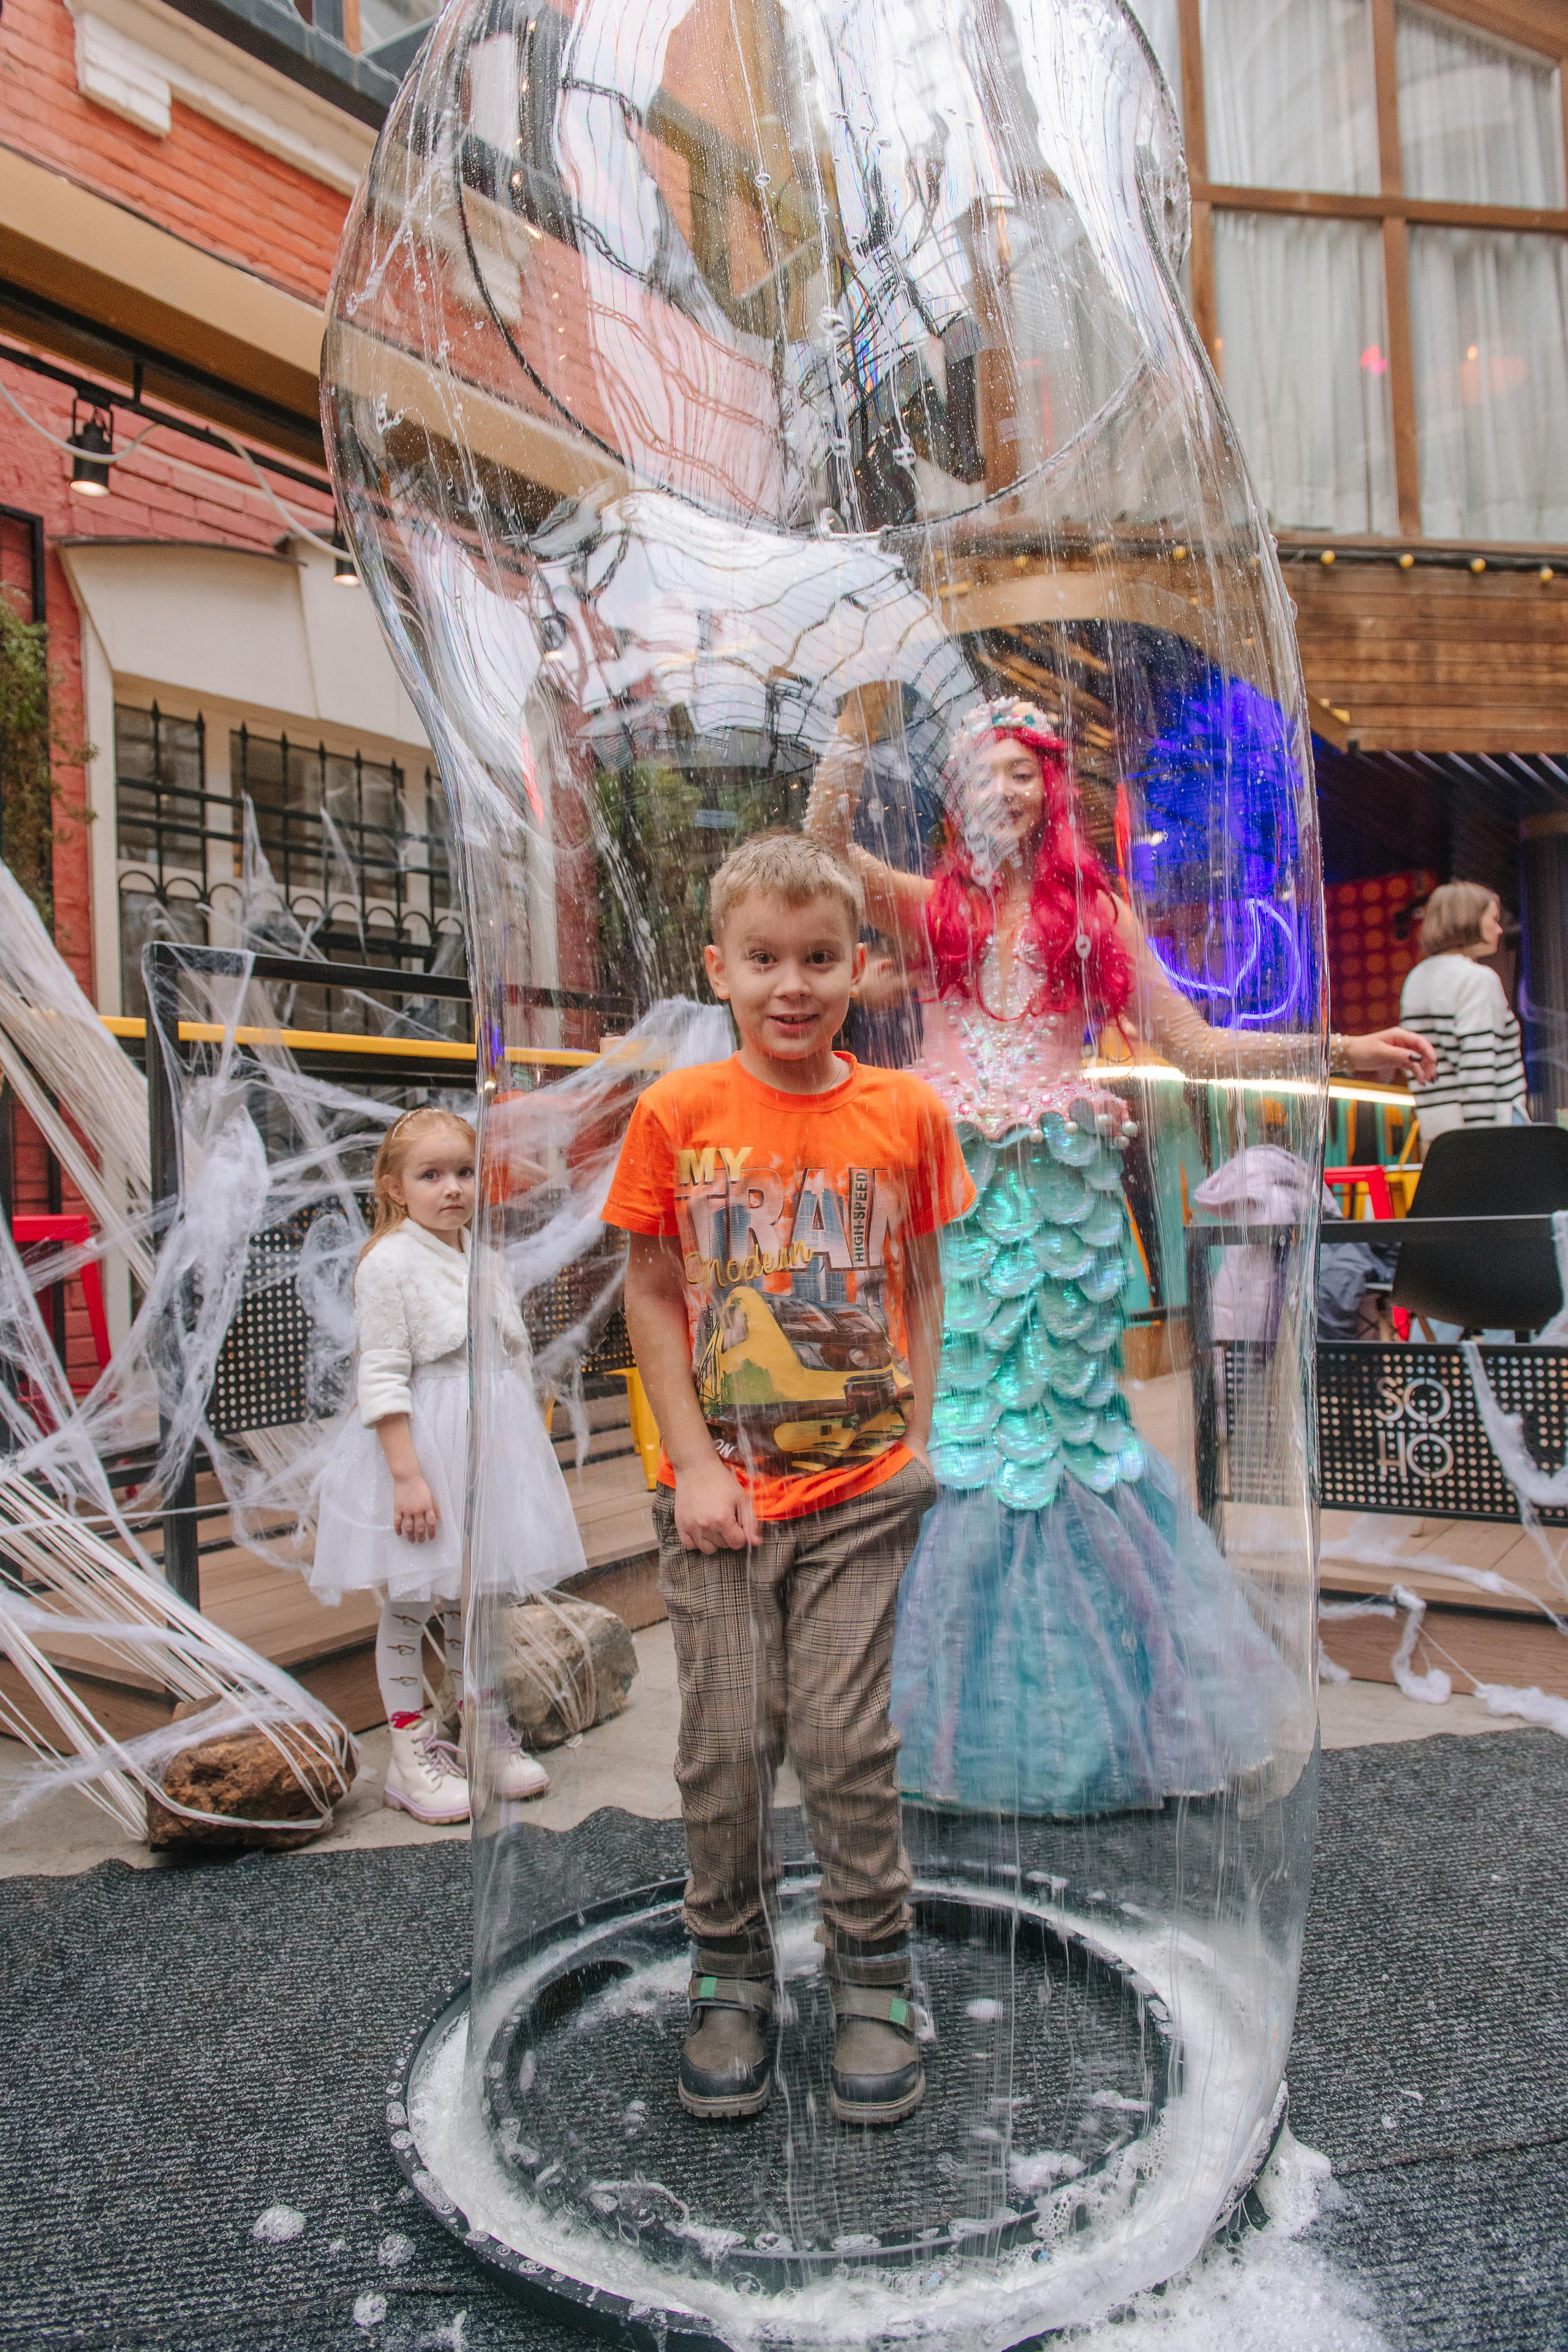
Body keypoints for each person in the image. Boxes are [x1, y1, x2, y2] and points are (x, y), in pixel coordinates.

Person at [807, 696, 1436, 1815]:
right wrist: (853, 728)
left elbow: (1190, 1044)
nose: (1008, 792)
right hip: (953, 1200)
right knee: (955, 1430)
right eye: (987, 773)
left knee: (1063, 1433)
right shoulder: (929, 912)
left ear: (1052, 797)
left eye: (1026, 774)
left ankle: (1084, 1724)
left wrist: (1340, 1049)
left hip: (1059, 1201)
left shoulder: (1092, 914)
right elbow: (821, 851)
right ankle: (932, 1722)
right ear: (954, 797)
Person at [602, 831, 973, 2127]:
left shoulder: (904, 1114)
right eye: (763, 960)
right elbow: (648, 1294)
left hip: (862, 1492)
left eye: (819, 959)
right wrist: (692, 1465)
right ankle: (729, 1970)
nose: (792, 985)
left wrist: (917, 1432)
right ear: (719, 968)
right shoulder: (677, 1114)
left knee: (840, 1740)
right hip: (716, 1505)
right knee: (722, 1747)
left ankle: (872, 1971)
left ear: (857, 966)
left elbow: (921, 1280)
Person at [311, 1107, 577, 1823]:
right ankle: (409, 1752)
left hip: (485, 1444)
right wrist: (406, 1474)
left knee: (473, 1596)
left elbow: (510, 1355)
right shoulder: (390, 1262)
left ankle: (480, 1727)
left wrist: (517, 1449)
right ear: (395, 1188)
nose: (451, 1188)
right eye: (431, 1176)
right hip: (423, 1445)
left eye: (463, 1172)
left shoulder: (481, 1255)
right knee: (410, 1599)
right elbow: (383, 1374)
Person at [1399, 881, 1528, 1141]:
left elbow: (1413, 1060)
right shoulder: (1479, 979)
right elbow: (1478, 1065)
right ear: (1467, 919)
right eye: (1493, 919)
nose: (1500, 929)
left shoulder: (1416, 979)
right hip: (1494, 1128)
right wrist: (1477, 1142)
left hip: (1437, 1128)